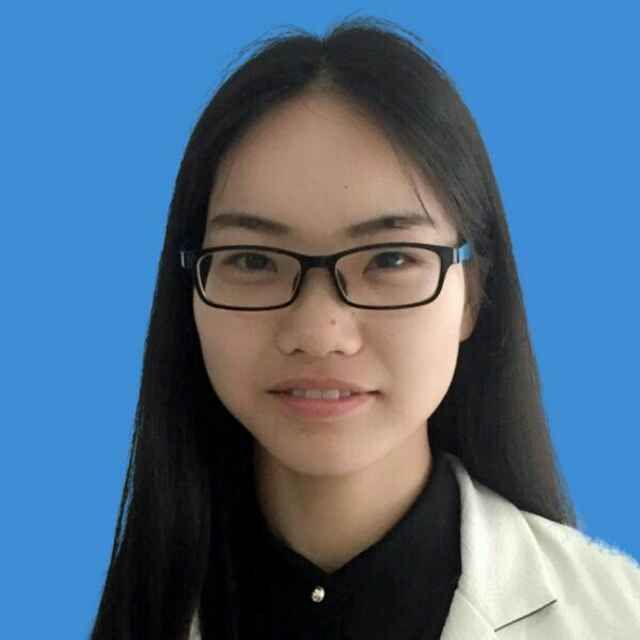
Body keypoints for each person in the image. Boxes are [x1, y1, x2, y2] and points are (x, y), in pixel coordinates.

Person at [89, 15, 640, 640]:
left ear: (472, 293)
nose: (320, 332)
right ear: (189, 287)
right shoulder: (140, 609)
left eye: (390, 259)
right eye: (254, 260)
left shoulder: (618, 617)